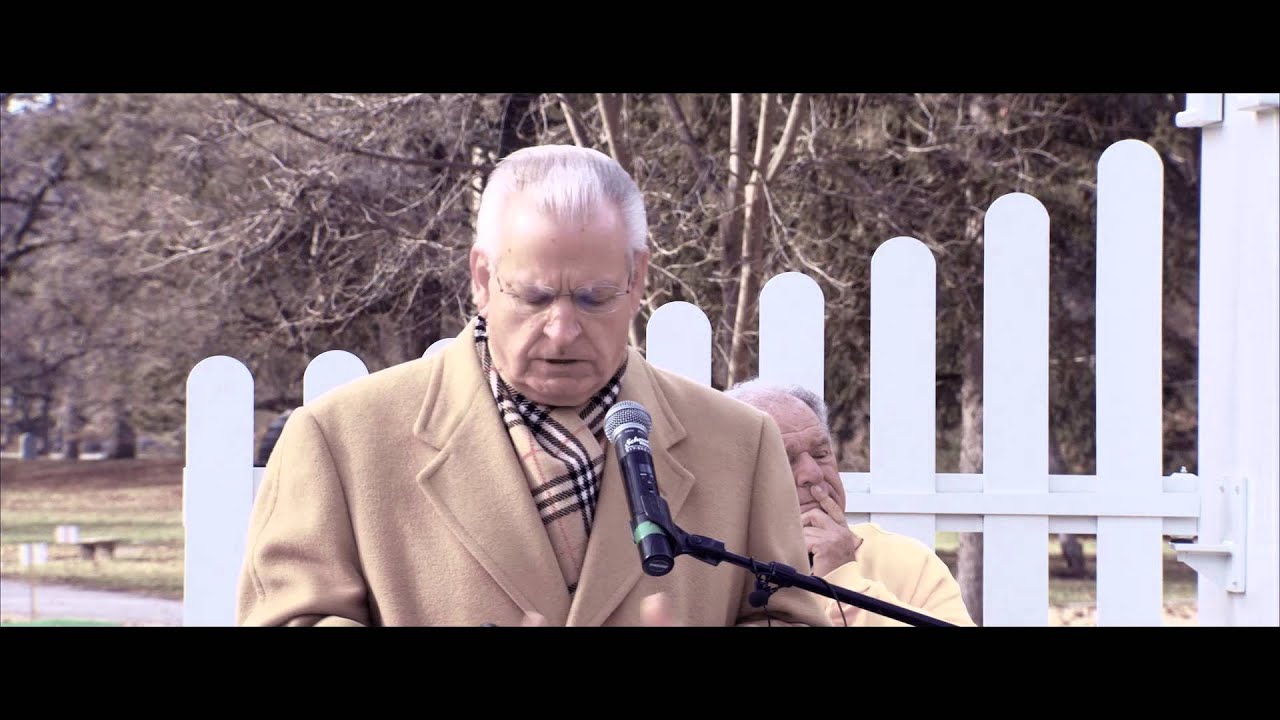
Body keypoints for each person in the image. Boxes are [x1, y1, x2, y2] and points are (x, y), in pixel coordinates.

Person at [235, 145, 829, 627]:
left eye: (594, 298)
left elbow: (788, 618)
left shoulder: (741, 444)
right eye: (534, 296)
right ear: (482, 277)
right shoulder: (339, 441)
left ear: (638, 279)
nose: (562, 329)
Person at [726, 379, 976, 627]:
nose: (813, 474)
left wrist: (843, 580)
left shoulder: (906, 560)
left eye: (821, 454)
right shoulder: (714, 566)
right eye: (784, 459)